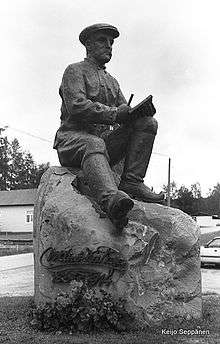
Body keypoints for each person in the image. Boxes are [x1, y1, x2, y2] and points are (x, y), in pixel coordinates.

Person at [53, 23, 164, 230]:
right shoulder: (74, 71)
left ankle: (132, 181)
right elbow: (76, 106)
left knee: (147, 123)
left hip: (103, 145)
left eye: (111, 42)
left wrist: (137, 113)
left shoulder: (112, 81)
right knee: (93, 143)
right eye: (102, 41)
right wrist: (115, 113)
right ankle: (112, 202)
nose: (109, 46)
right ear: (88, 45)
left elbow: (124, 114)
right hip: (71, 142)